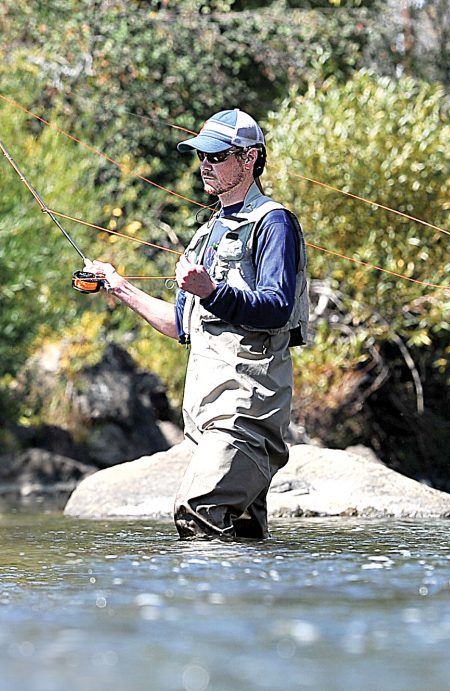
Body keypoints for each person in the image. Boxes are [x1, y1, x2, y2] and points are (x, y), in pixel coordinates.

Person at [84, 108, 311, 540]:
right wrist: (118, 286)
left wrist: (211, 291)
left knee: (199, 513)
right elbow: (181, 325)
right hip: (208, 416)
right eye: (201, 156)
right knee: (242, 537)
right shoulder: (207, 233)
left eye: (217, 155)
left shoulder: (274, 223)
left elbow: (278, 308)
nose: (205, 164)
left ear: (250, 158)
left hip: (246, 409)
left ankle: (206, 590)